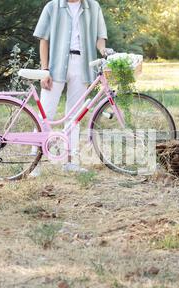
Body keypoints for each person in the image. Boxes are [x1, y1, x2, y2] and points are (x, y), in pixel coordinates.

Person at [31, 0, 108, 176]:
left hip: (82, 65)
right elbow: (44, 40)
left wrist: (104, 51)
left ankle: (70, 161)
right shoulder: (53, 6)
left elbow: (100, 38)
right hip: (55, 65)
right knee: (46, 114)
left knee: (75, 116)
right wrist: (44, 69)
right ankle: (35, 161)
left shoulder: (93, 6)